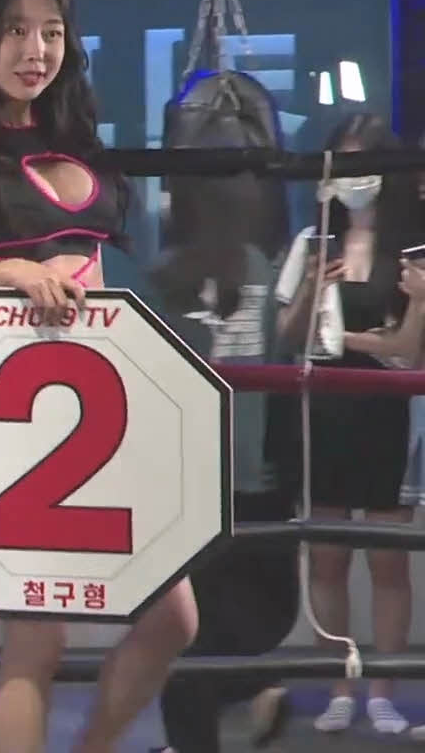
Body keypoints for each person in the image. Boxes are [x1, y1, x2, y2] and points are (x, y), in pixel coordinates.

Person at [0, 0, 198, 753]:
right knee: (37, 639)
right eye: (16, 31)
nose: (35, 50)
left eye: (52, 32)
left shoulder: (77, 138)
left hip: (105, 404)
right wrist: (2, 275)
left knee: (174, 618)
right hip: (19, 412)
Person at [276, 113, 423, 737]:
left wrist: (350, 338)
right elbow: (290, 337)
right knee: (328, 560)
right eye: (345, 163)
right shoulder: (312, 240)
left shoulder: (413, 247)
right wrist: (313, 289)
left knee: (389, 564)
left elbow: (410, 350)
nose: (355, 179)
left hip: (388, 414)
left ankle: (384, 691)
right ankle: (339, 686)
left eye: (366, 164)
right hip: (324, 413)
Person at [152, 170, 299, 752]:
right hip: (205, 468)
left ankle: (245, 692)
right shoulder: (170, 276)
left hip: (239, 466)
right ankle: (227, 707)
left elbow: (273, 352)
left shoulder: (253, 266)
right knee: (194, 622)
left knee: (235, 615)